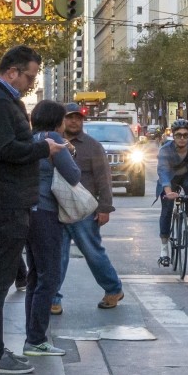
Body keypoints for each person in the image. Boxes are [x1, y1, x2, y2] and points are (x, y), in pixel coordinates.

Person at [0, 45, 68, 375]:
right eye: (30, 76)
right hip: (2, 201)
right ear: (12, 72)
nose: (31, 83)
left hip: (3, 199)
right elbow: (5, 148)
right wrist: (44, 148)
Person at [22, 101, 82, 357]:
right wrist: (69, 153)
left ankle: (32, 335)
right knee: (49, 277)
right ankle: (36, 339)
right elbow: (73, 175)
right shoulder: (54, 139)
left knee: (34, 276)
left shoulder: (30, 138)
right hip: (47, 212)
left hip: (29, 211)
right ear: (57, 121)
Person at [53, 102, 123, 314]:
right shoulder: (54, 143)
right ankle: (53, 298)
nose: (74, 121)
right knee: (58, 255)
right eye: (69, 117)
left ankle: (113, 289)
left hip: (85, 210)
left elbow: (104, 179)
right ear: (62, 120)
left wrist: (105, 208)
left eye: (78, 118)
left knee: (93, 252)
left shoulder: (93, 146)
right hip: (58, 207)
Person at [156, 118, 188, 266]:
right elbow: (163, 170)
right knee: (166, 209)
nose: (182, 138)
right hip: (170, 178)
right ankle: (164, 249)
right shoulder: (165, 149)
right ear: (173, 135)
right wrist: (167, 191)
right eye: (179, 135)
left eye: (185, 135)